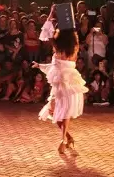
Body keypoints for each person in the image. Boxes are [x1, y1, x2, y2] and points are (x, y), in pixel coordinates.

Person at [35, 17, 88, 152]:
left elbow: (46, 34)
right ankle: (68, 138)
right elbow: (56, 66)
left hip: (66, 84)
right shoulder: (73, 47)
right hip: (65, 83)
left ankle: (63, 139)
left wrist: (50, 16)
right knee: (57, 113)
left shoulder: (60, 47)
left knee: (63, 113)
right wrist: (40, 65)